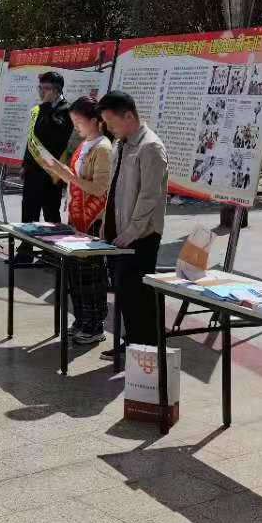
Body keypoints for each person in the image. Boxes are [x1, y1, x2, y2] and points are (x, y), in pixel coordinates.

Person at [97, 91, 168, 349]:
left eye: (111, 122)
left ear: (128, 116)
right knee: (124, 293)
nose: (109, 128)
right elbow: (114, 188)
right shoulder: (121, 144)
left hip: (141, 236)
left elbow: (150, 196)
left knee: (140, 295)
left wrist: (132, 231)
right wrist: (106, 222)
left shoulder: (150, 147)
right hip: (119, 233)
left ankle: (146, 348)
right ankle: (132, 343)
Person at [43, 97, 115, 344]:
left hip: (93, 218)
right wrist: (61, 172)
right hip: (77, 216)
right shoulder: (86, 144)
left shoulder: (103, 148)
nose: (76, 127)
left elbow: (100, 188)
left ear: (95, 121)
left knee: (90, 274)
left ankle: (94, 325)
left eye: (78, 122)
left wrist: (69, 176)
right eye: (73, 122)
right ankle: (82, 319)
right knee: (75, 272)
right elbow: (77, 180)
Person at [17, 72, 74, 259]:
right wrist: (25, 163)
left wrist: (48, 106)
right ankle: (25, 249)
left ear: (57, 90)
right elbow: (32, 138)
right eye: (40, 88)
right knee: (29, 210)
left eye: (46, 88)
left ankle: (52, 252)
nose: (42, 92)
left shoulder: (67, 110)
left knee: (50, 212)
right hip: (34, 170)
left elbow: (54, 137)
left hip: (52, 172)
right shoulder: (39, 109)